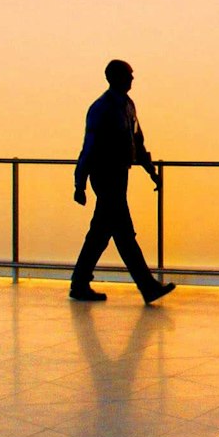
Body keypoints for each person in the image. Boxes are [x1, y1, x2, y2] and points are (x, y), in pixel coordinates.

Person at [71, 59, 176, 304]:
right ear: (115, 78)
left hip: (119, 175)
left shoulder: (128, 106)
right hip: (105, 176)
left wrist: (151, 170)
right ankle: (147, 286)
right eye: (129, 74)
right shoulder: (102, 109)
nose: (132, 79)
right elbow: (89, 147)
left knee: (102, 232)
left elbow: (137, 142)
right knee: (124, 233)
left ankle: (79, 282)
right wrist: (80, 183)